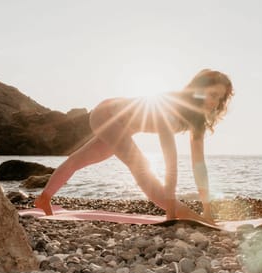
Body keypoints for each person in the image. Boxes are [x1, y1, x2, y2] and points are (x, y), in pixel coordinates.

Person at [34, 69, 234, 224]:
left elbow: (199, 165)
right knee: (141, 167)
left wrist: (207, 207)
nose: (214, 103)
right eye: (212, 95)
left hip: (122, 124)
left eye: (219, 98)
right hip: (107, 114)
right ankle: (190, 216)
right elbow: (170, 158)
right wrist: (172, 211)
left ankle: (44, 198)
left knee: (79, 160)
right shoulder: (173, 106)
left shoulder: (196, 120)